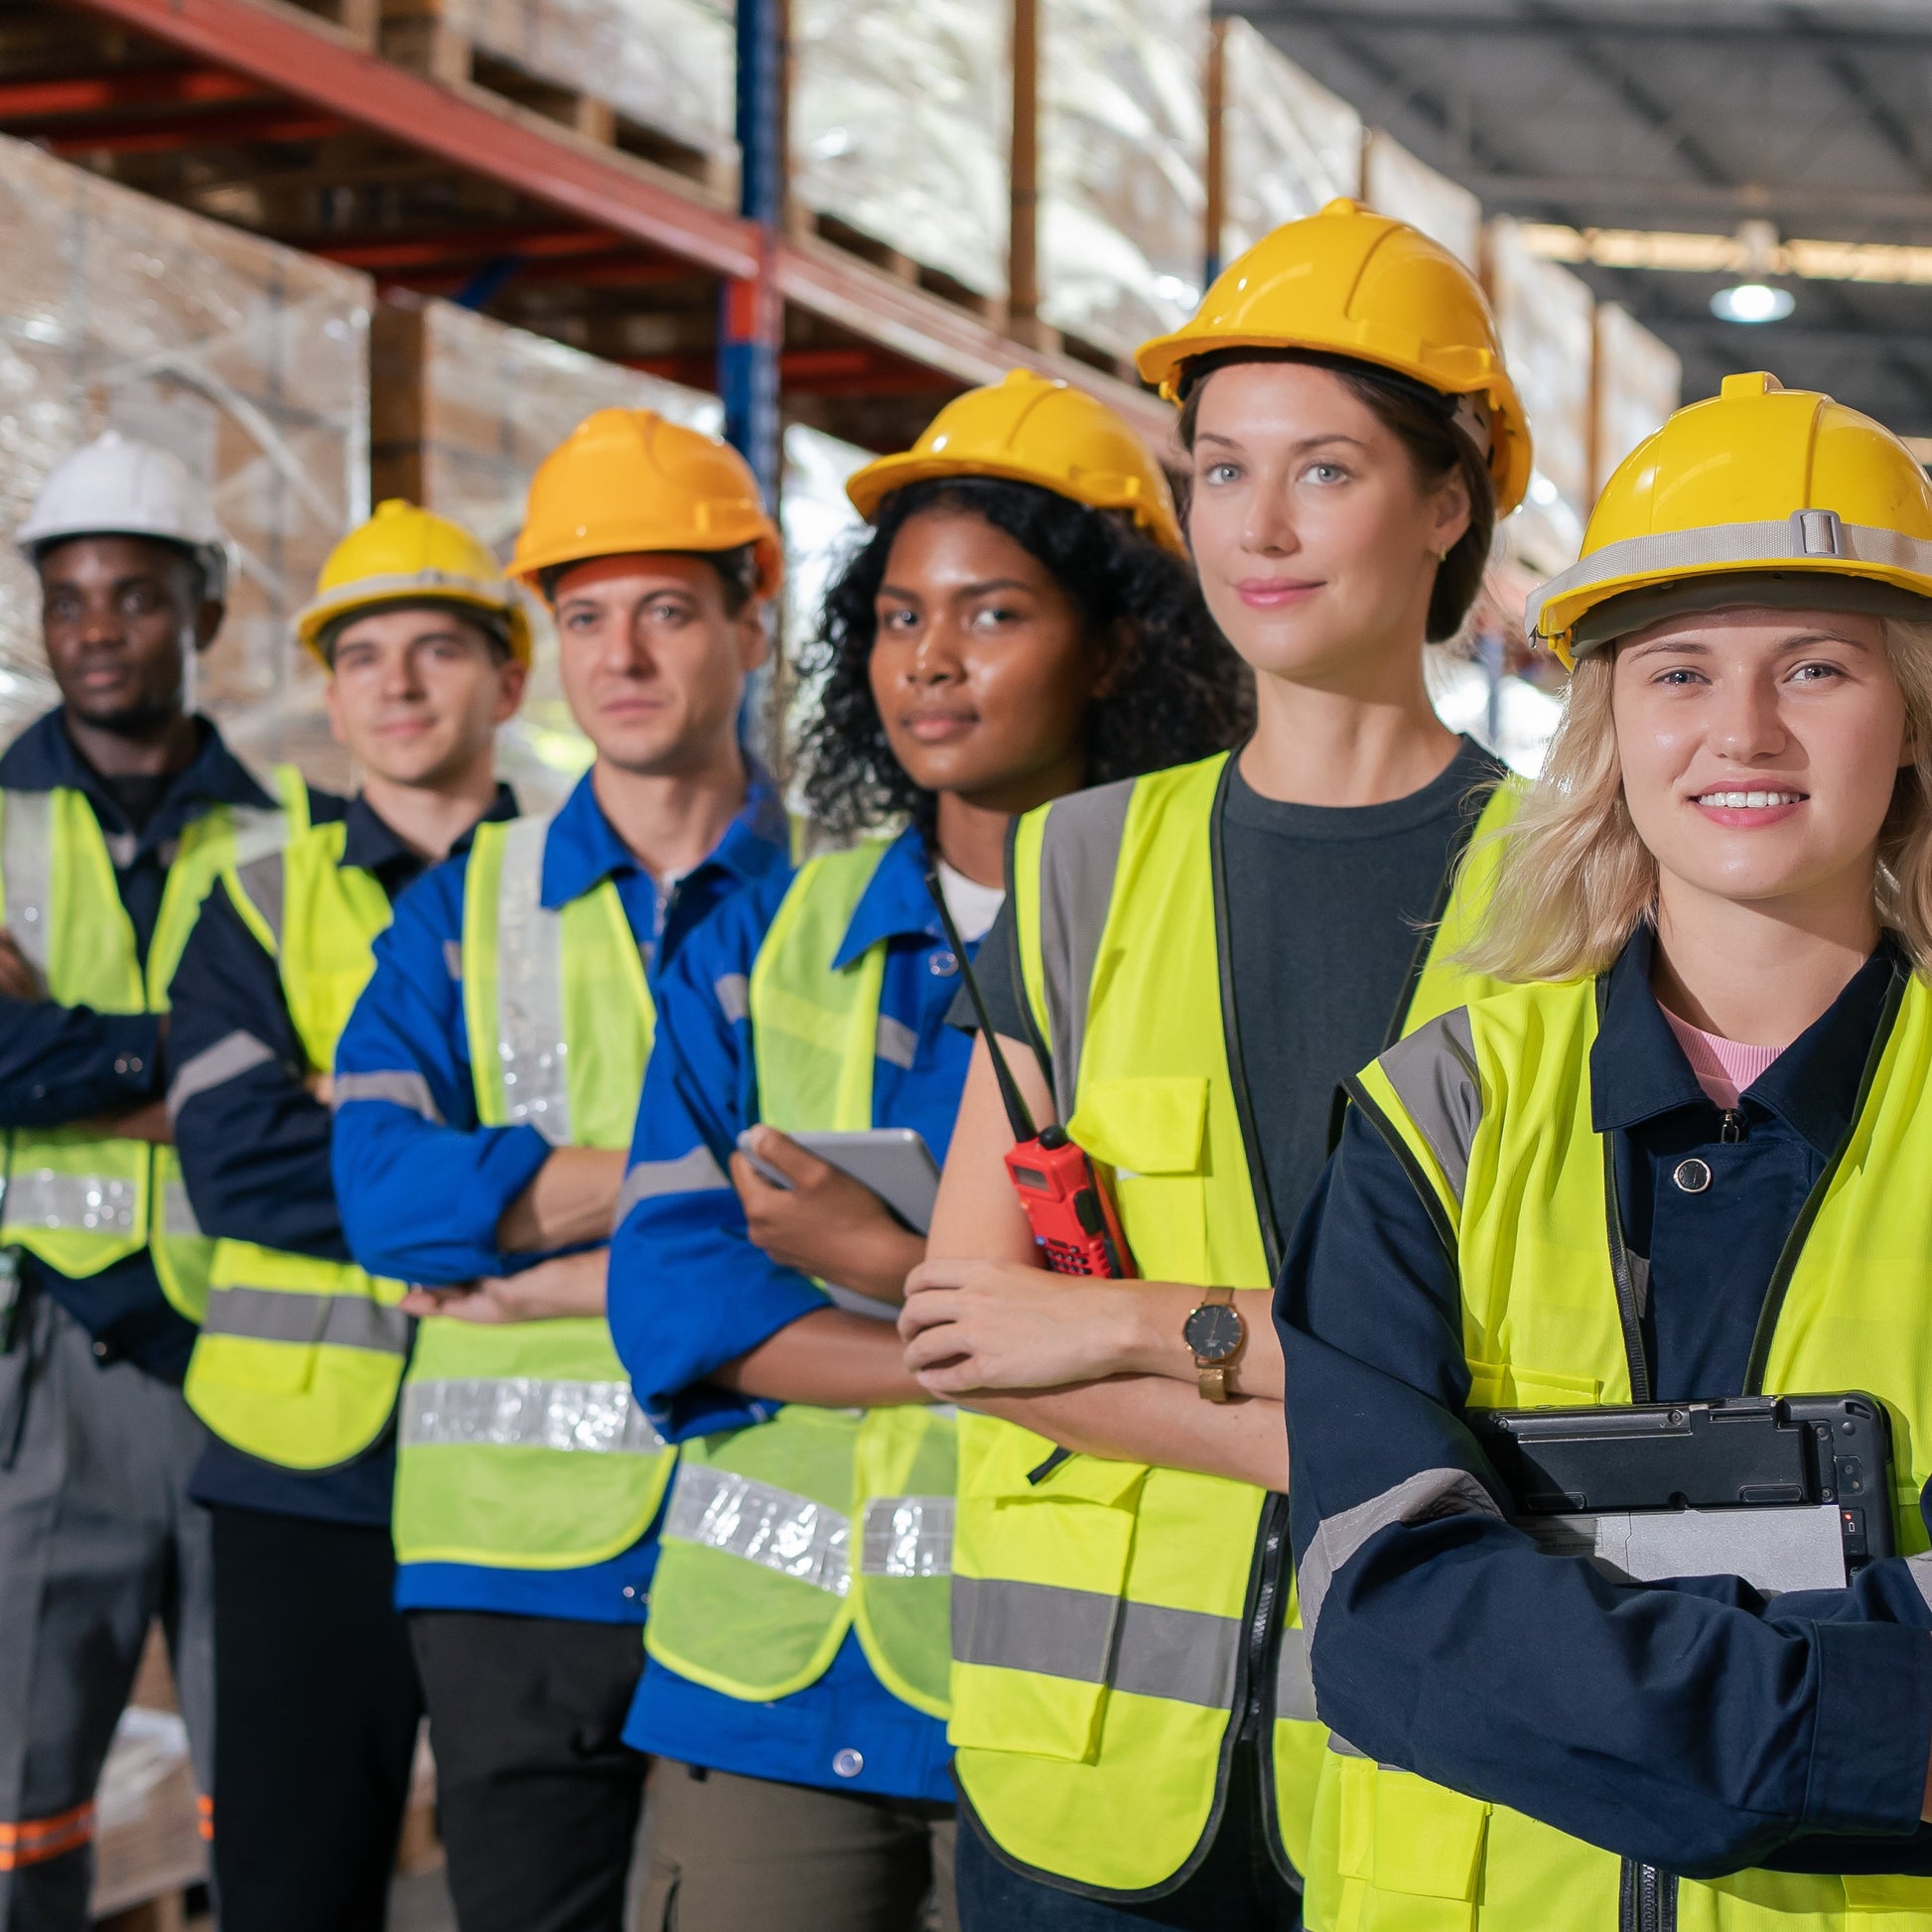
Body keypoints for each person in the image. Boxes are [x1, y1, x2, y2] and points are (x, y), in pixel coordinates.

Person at [895, 199, 1532, 1929]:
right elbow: (962, 1325)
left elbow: (1554, 1395)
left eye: (1324, 470)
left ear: (1450, 498)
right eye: (1218, 467)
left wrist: (1124, 1324)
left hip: (1431, 1780)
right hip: (1083, 1777)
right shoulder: (1080, 864)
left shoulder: (1580, 891)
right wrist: (1359, 1419)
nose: (1254, 526)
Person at [1278, 371, 1932, 1929]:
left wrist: (1568, 1656)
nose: (1741, 732)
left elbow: (1469, 1627)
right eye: (1679, 673)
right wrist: (1856, 1726)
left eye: (1818, 666)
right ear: (1610, 724)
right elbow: (1379, 1602)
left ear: (1910, 715)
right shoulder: (1437, 1111)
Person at [607, 367, 1249, 1932]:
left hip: (1077, 1685)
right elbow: (678, 1303)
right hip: (762, 1683)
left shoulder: (1208, 939)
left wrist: (883, 1271)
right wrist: (1026, 1336)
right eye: (896, 618)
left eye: (992, 615)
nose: (930, 663)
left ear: (1116, 642)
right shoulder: (764, 936)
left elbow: (1255, 1321)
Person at [330, 410, 789, 1932]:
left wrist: (553, 1263)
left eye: (666, 610)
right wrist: (698, 1197)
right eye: (583, 617)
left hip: (768, 1544)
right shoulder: (472, 900)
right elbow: (383, 1196)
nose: (622, 657)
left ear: (750, 621)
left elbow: (894, 1220)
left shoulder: (847, 888)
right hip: (504, 1567)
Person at [167, 501, 528, 1932]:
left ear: (507, 682)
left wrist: (356, 1121)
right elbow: (236, 1167)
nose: (397, 683)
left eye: (438, 648)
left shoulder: (589, 898)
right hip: (300, 1468)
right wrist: (496, 1172)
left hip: (529, 1461)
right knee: (290, 1889)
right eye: (362, 654)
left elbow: (645, 1166)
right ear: (328, 691)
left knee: (534, 1885)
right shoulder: (254, 901)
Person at [0, 433, 309, 1930]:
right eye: (69, 599)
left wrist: (56, 1048)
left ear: (205, 609)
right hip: (44, 1359)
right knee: (17, 1794)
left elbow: (318, 1090)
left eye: (133, 593)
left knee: (263, 1780)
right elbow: (252, 1076)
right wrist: (209, 1063)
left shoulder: (297, 838)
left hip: (258, 1343)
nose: (98, 626)